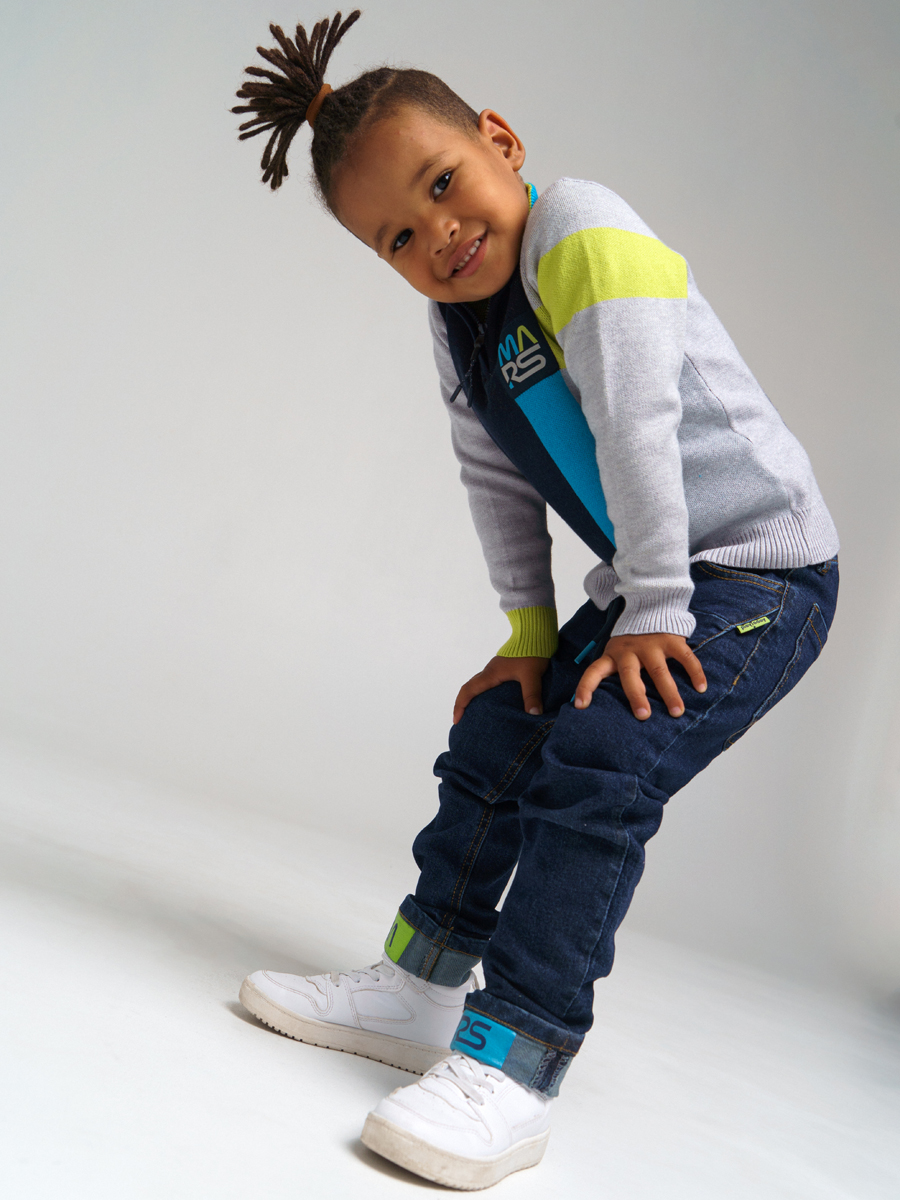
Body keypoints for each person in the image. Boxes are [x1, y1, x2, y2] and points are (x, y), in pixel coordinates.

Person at [231, 11, 840, 1190]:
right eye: (400, 236)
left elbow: (639, 431)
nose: (441, 235)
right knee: (505, 727)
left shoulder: (586, 235)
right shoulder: (459, 323)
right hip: (658, 574)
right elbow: (497, 475)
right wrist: (527, 636)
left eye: (444, 185)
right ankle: (420, 983)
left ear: (502, 143)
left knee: (605, 755)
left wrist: (652, 612)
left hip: (760, 571)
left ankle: (515, 1061)